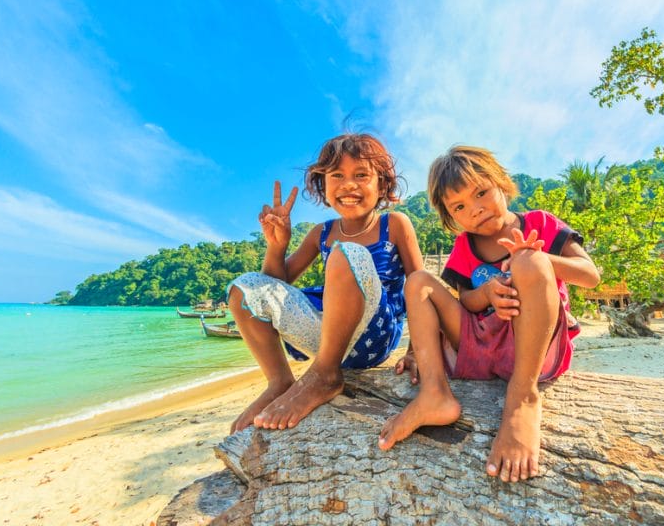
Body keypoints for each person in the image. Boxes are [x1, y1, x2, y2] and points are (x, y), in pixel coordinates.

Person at [378, 146, 600, 483]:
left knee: (530, 261)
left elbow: (590, 275)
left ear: (502, 182)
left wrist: (537, 258)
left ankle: (523, 396)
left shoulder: (540, 223)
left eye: (481, 192)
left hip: (533, 349)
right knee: (419, 281)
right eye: (460, 207)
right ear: (451, 217)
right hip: (481, 348)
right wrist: (486, 293)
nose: (476, 209)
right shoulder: (463, 247)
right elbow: (465, 301)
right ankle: (434, 392)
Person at [227, 133, 423, 434]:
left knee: (347, 253)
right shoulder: (321, 232)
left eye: (361, 175)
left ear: (382, 185)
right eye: (337, 176)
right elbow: (276, 288)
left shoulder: (394, 224)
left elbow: (420, 286)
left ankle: (325, 375)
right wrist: (276, 246)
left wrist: (416, 351)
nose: (348, 184)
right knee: (245, 288)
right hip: (327, 335)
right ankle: (279, 381)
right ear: (324, 186)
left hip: (375, 335)